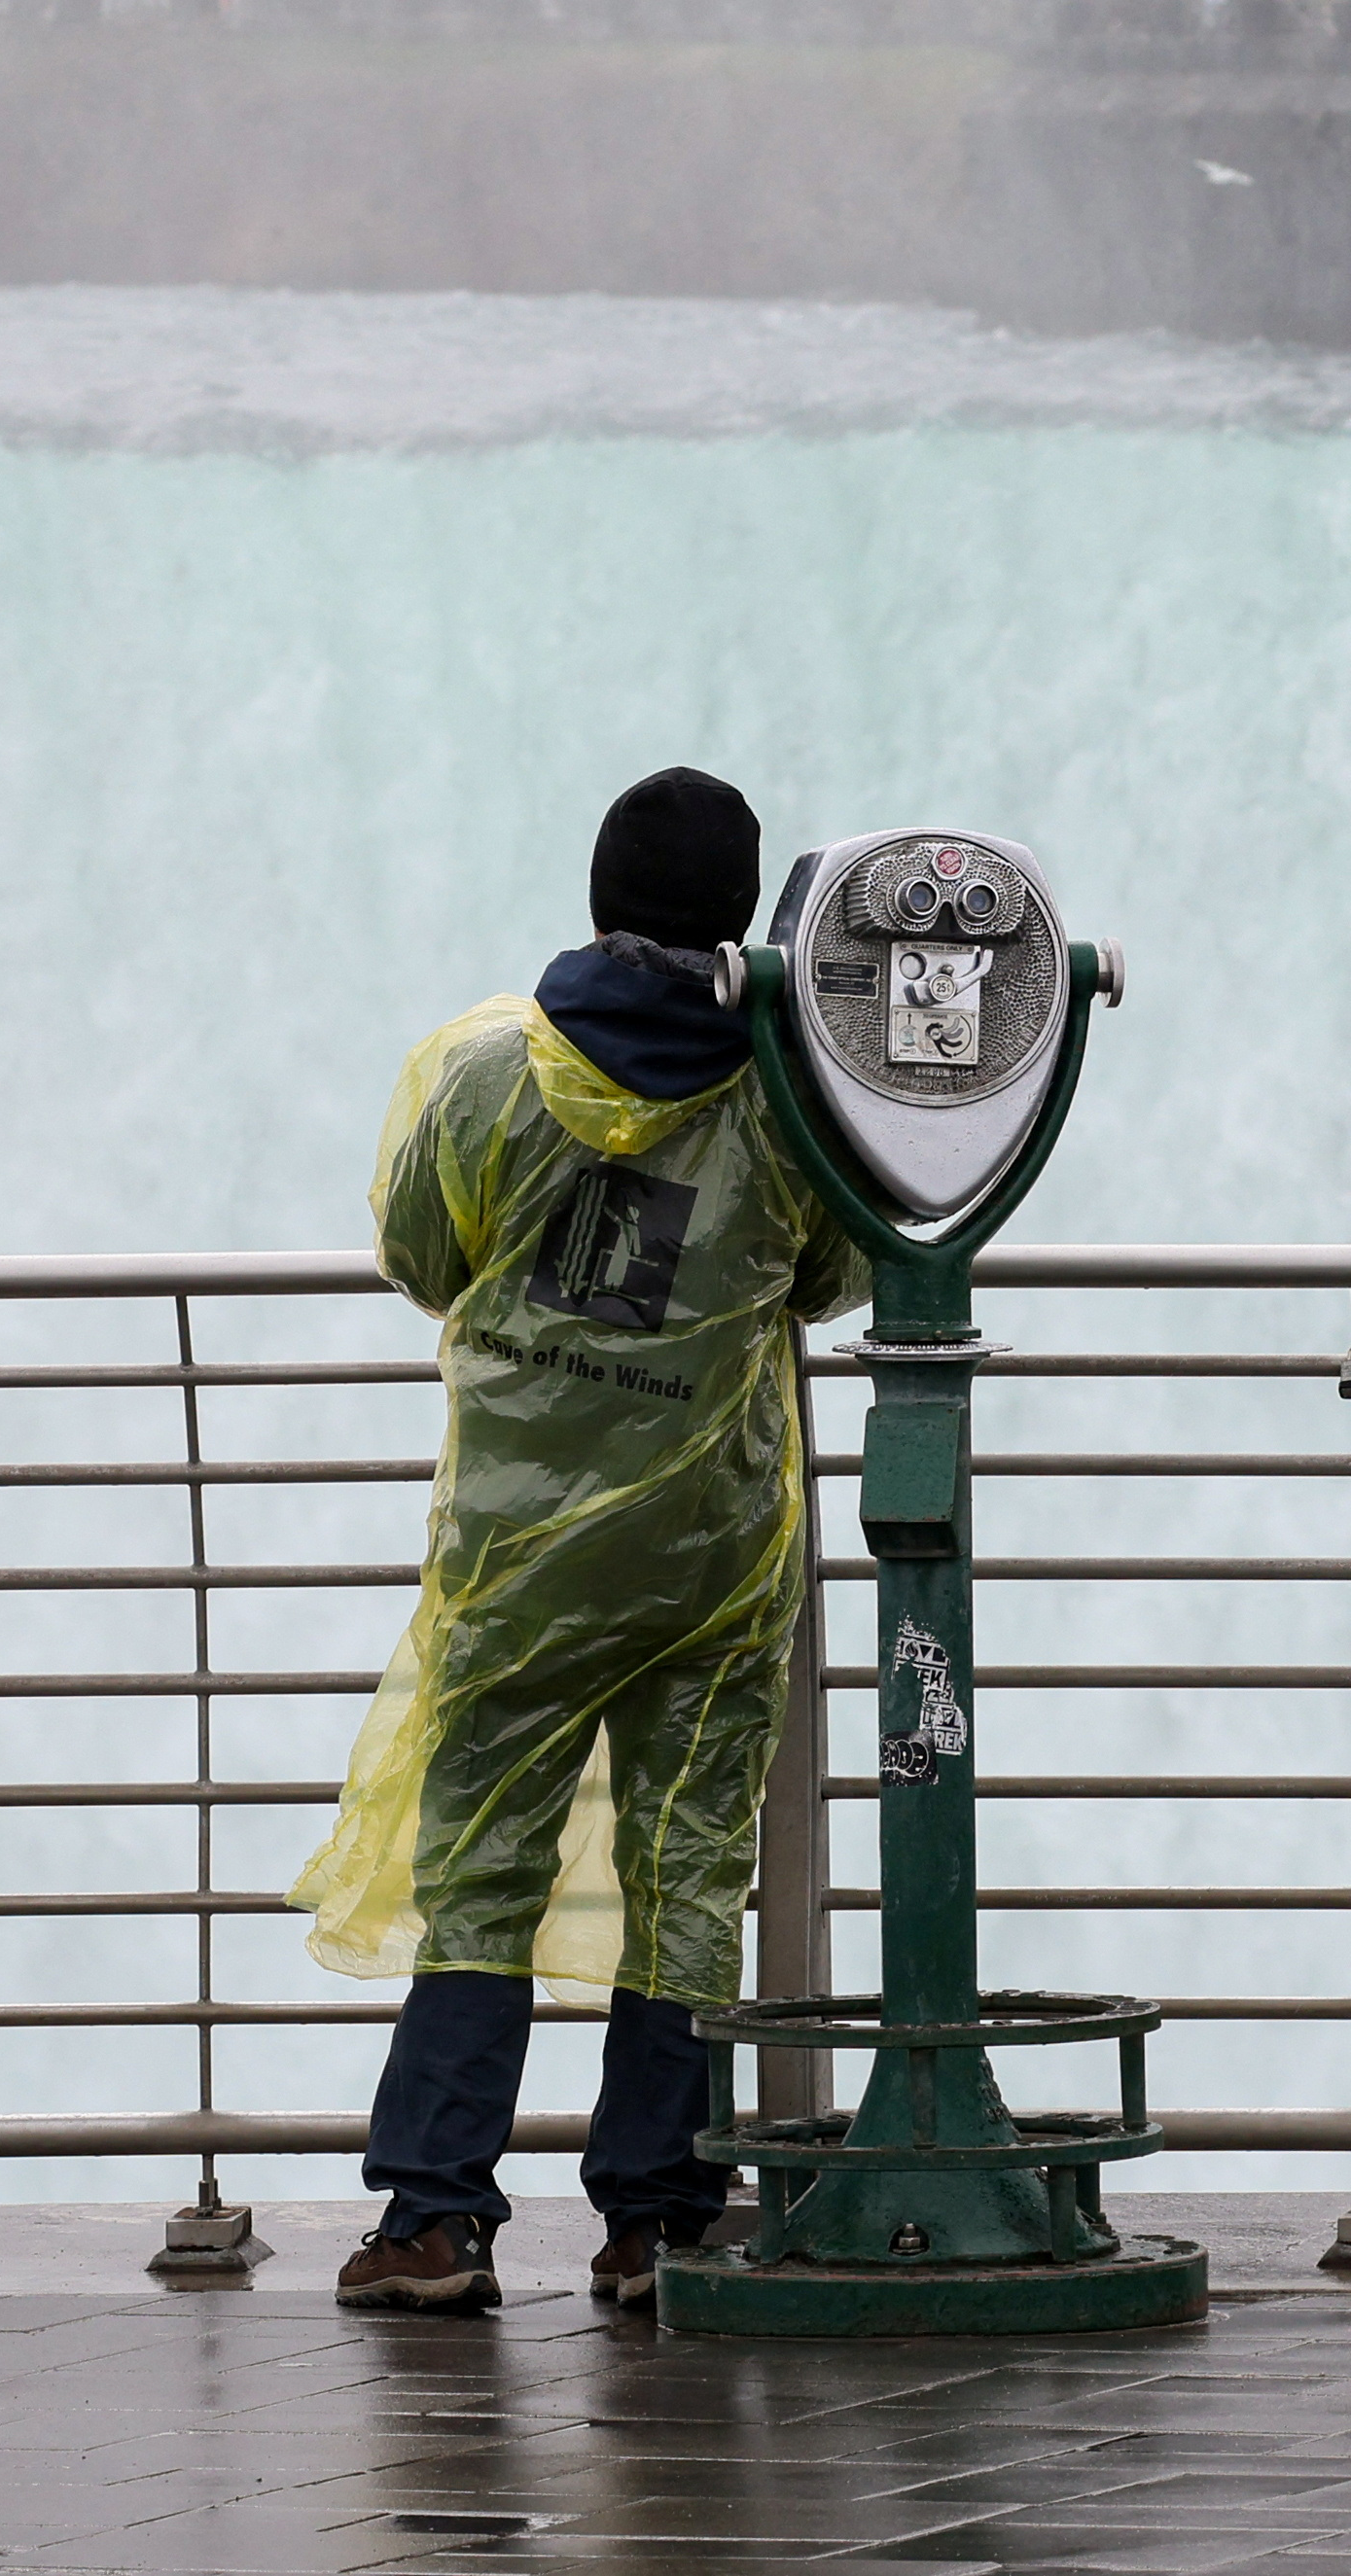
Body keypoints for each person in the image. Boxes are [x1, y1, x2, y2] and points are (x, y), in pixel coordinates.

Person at [299, 768, 870, 2314]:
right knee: (686, 1869)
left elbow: (418, 1253)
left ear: (598, 892)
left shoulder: (482, 1069)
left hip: (518, 1548)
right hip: (709, 1552)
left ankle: (430, 2218)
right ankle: (660, 2217)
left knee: (477, 1867)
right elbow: (823, 1277)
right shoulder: (784, 1089)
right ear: (746, 916)